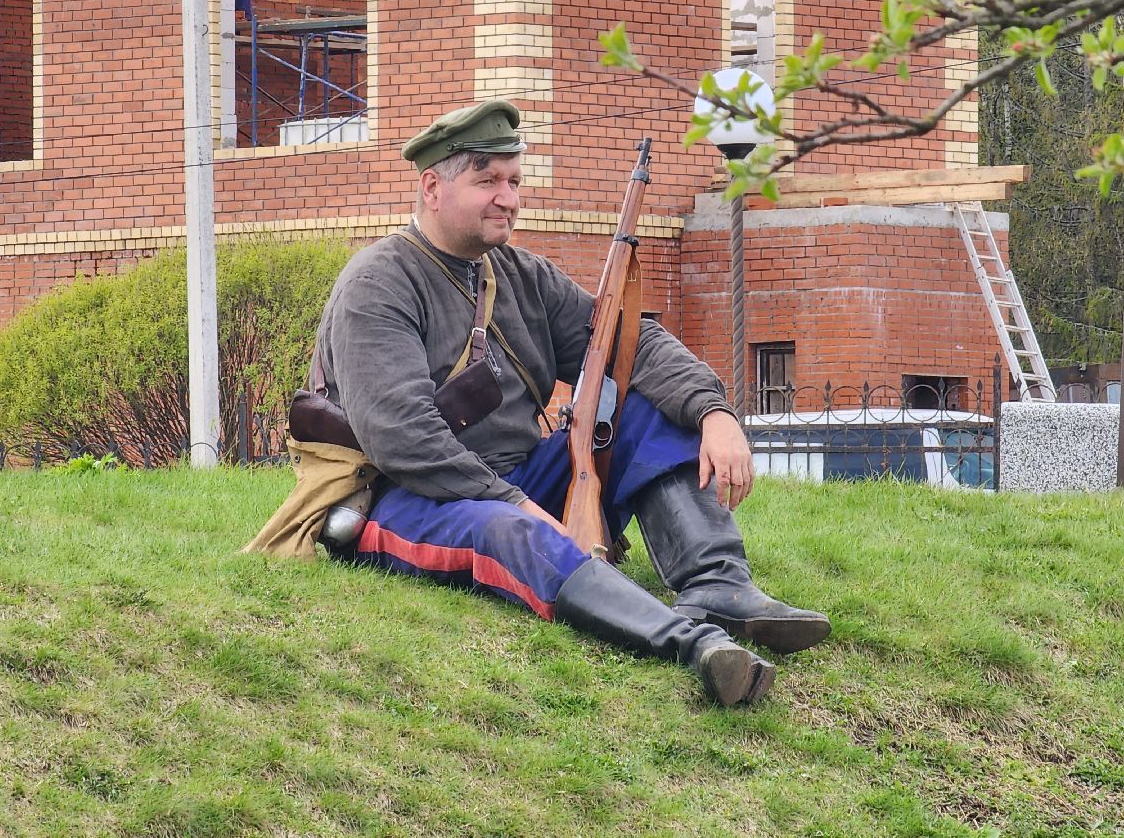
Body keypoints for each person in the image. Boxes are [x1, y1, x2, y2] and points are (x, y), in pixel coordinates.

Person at [312, 99, 830, 705]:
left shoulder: (521, 276)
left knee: (651, 408)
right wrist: (517, 503)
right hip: (409, 497)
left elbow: (628, 347)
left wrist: (713, 412)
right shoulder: (378, 284)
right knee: (511, 531)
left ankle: (717, 586)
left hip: (520, 481)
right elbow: (401, 435)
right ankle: (693, 644)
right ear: (432, 186)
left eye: (513, 181)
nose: (508, 197)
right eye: (488, 181)